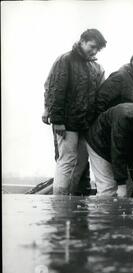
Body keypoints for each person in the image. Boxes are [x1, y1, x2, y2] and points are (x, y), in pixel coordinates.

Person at [44, 29, 106, 195]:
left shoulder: (97, 67)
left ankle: (70, 200)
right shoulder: (65, 60)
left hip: (86, 125)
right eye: (92, 46)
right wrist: (57, 120)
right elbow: (56, 90)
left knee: (80, 163)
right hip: (67, 122)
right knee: (66, 160)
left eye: (97, 49)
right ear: (82, 41)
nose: (93, 51)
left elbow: (99, 96)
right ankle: (59, 201)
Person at [91, 49, 133, 196]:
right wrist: (104, 127)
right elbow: (100, 101)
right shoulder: (119, 77)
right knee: (110, 186)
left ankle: (122, 215)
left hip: (124, 135)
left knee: (130, 183)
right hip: (109, 132)